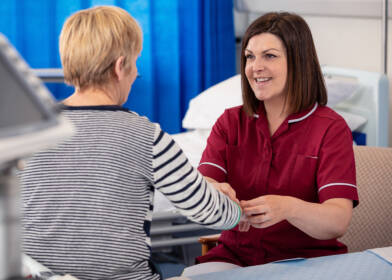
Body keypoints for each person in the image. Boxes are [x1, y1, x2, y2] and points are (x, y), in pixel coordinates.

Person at [19, 6, 241, 280]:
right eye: (136, 63)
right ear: (119, 66)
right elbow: (212, 214)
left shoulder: (28, 131)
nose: (136, 74)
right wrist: (235, 209)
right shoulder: (145, 135)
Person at [192, 12, 359, 270]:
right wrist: (216, 193)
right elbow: (205, 183)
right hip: (235, 257)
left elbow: (338, 220)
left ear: (298, 61)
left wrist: (289, 208)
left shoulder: (330, 129)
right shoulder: (230, 122)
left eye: (269, 55)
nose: (255, 67)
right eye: (250, 56)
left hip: (308, 263)